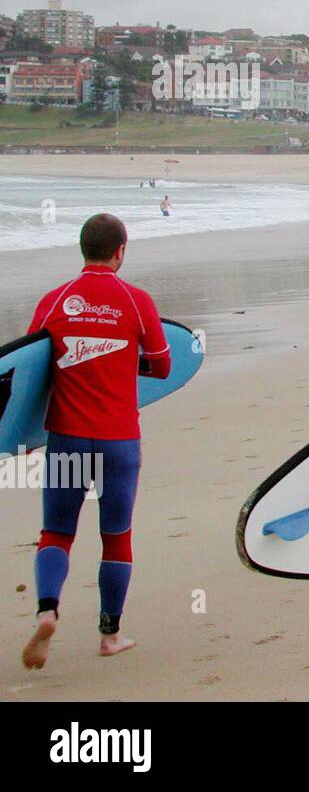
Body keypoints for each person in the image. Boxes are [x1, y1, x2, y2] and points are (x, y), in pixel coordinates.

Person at [21, 213, 172, 669]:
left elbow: (30, 368)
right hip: (119, 441)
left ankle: (48, 609)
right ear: (120, 251)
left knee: (57, 532)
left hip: (67, 437)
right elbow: (164, 365)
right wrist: (126, 364)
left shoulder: (56, 300)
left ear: (82, 248)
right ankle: (110, 635)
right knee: (116, 536)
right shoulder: (135, 299)